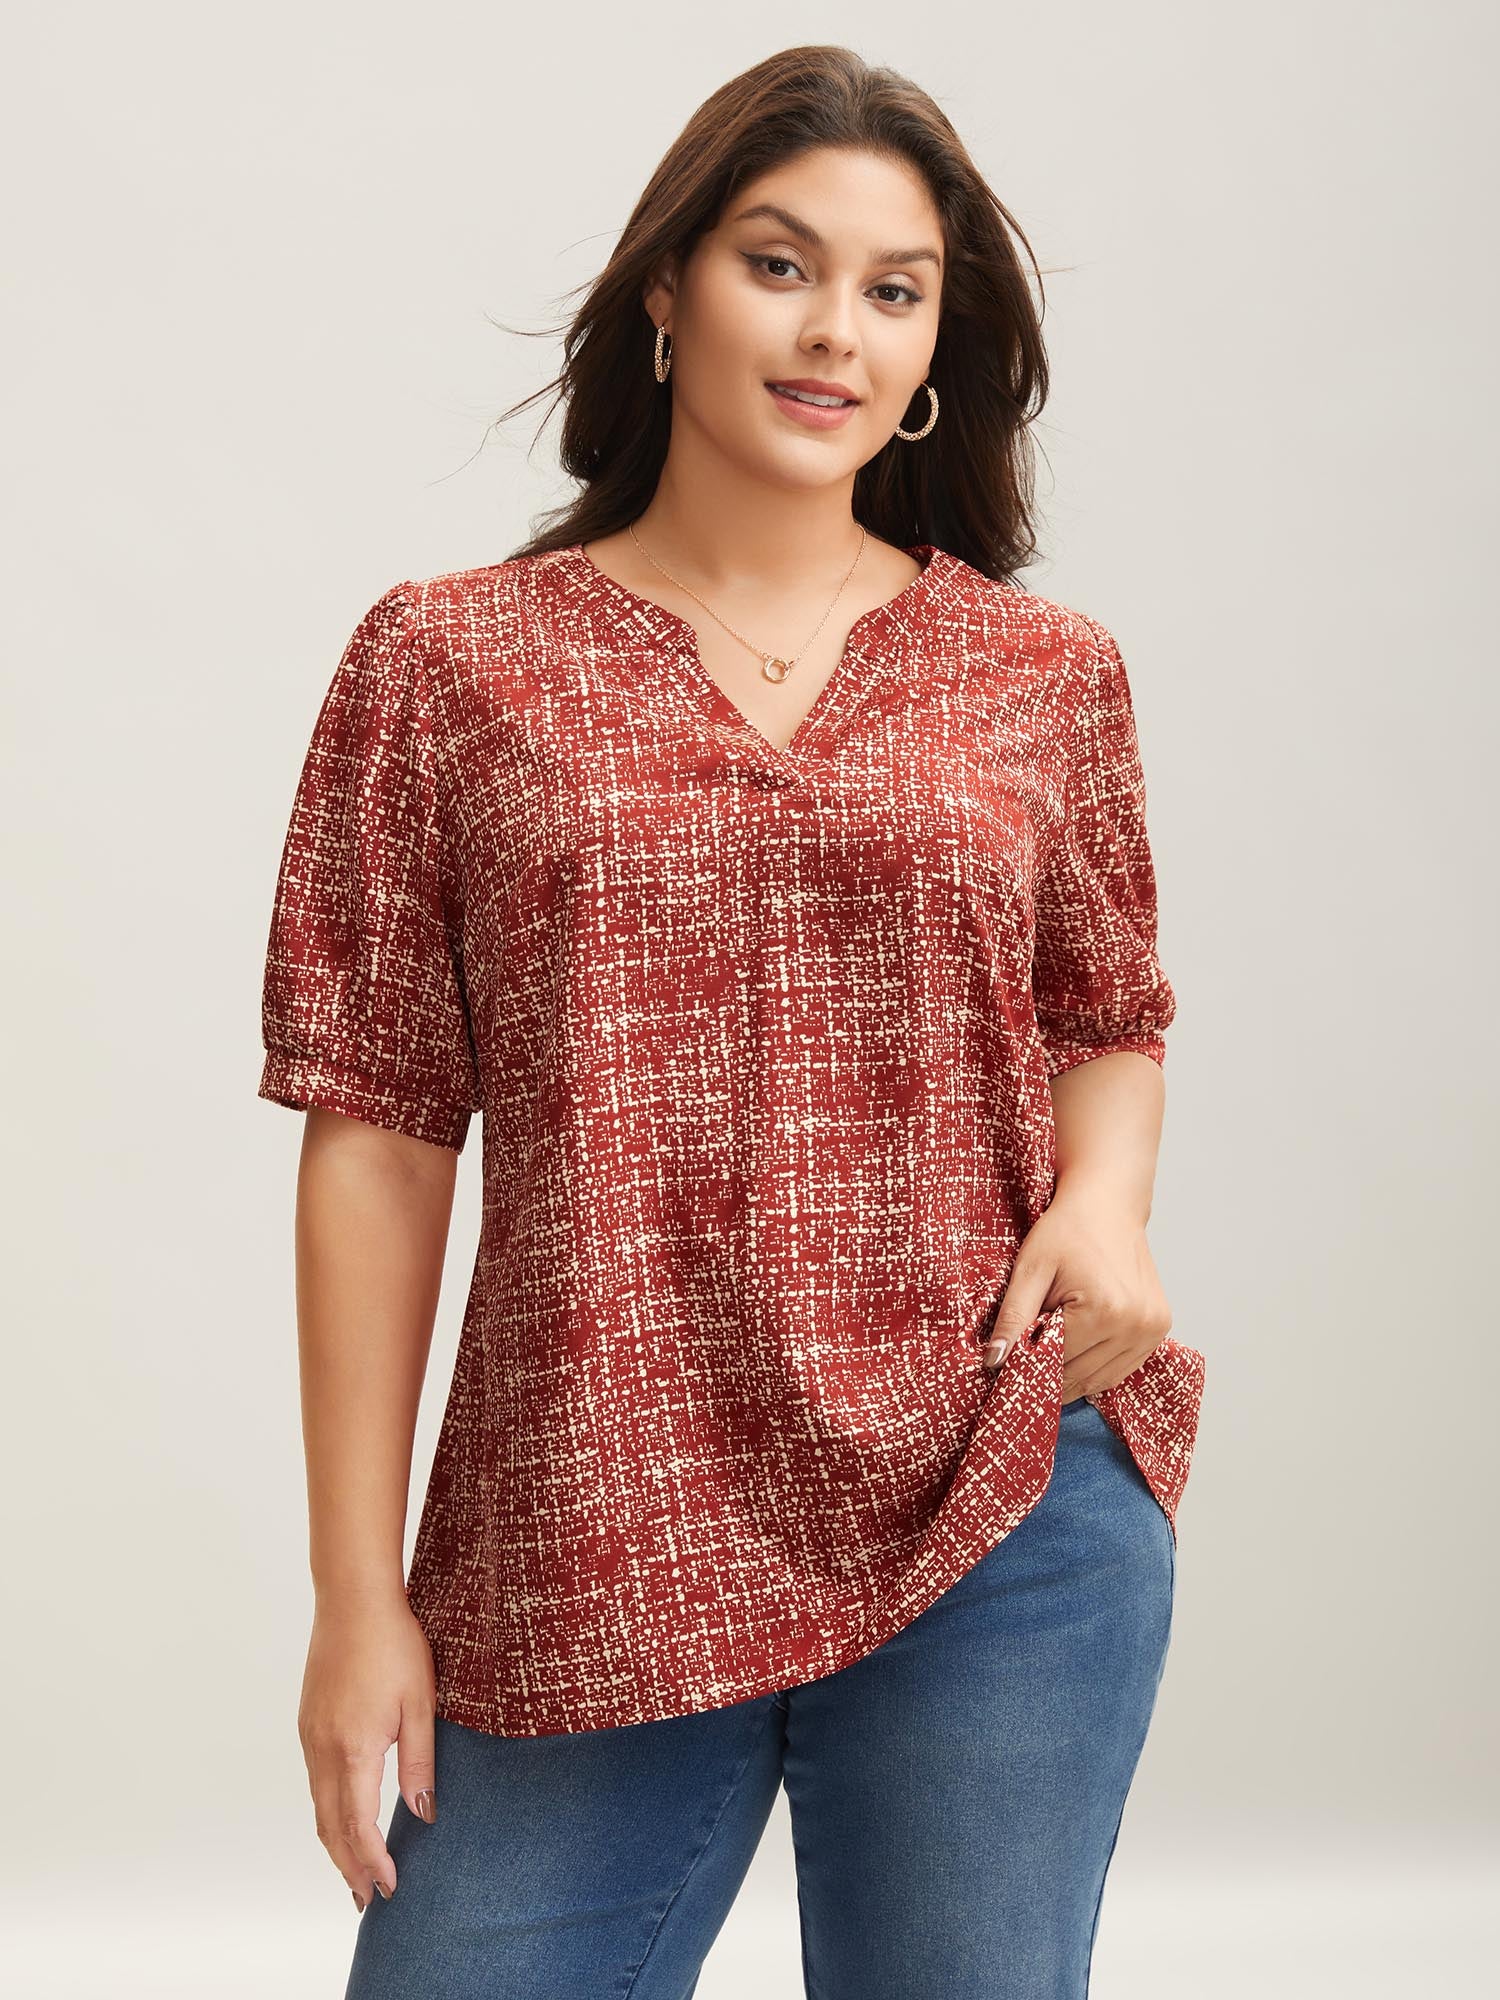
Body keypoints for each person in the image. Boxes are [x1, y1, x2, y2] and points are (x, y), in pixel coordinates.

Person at [256, 43, 1206, 2000]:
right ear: (666, 294)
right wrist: (359, 1594)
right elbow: (377, 1132)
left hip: (995, 1493)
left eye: (892, 288)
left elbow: (1107, 1010)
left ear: (931, 352)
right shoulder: (448, 664)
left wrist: (1105, 1203)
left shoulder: (1042, 673)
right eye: (782, 264)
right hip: (588, 1515)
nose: (834, 327)